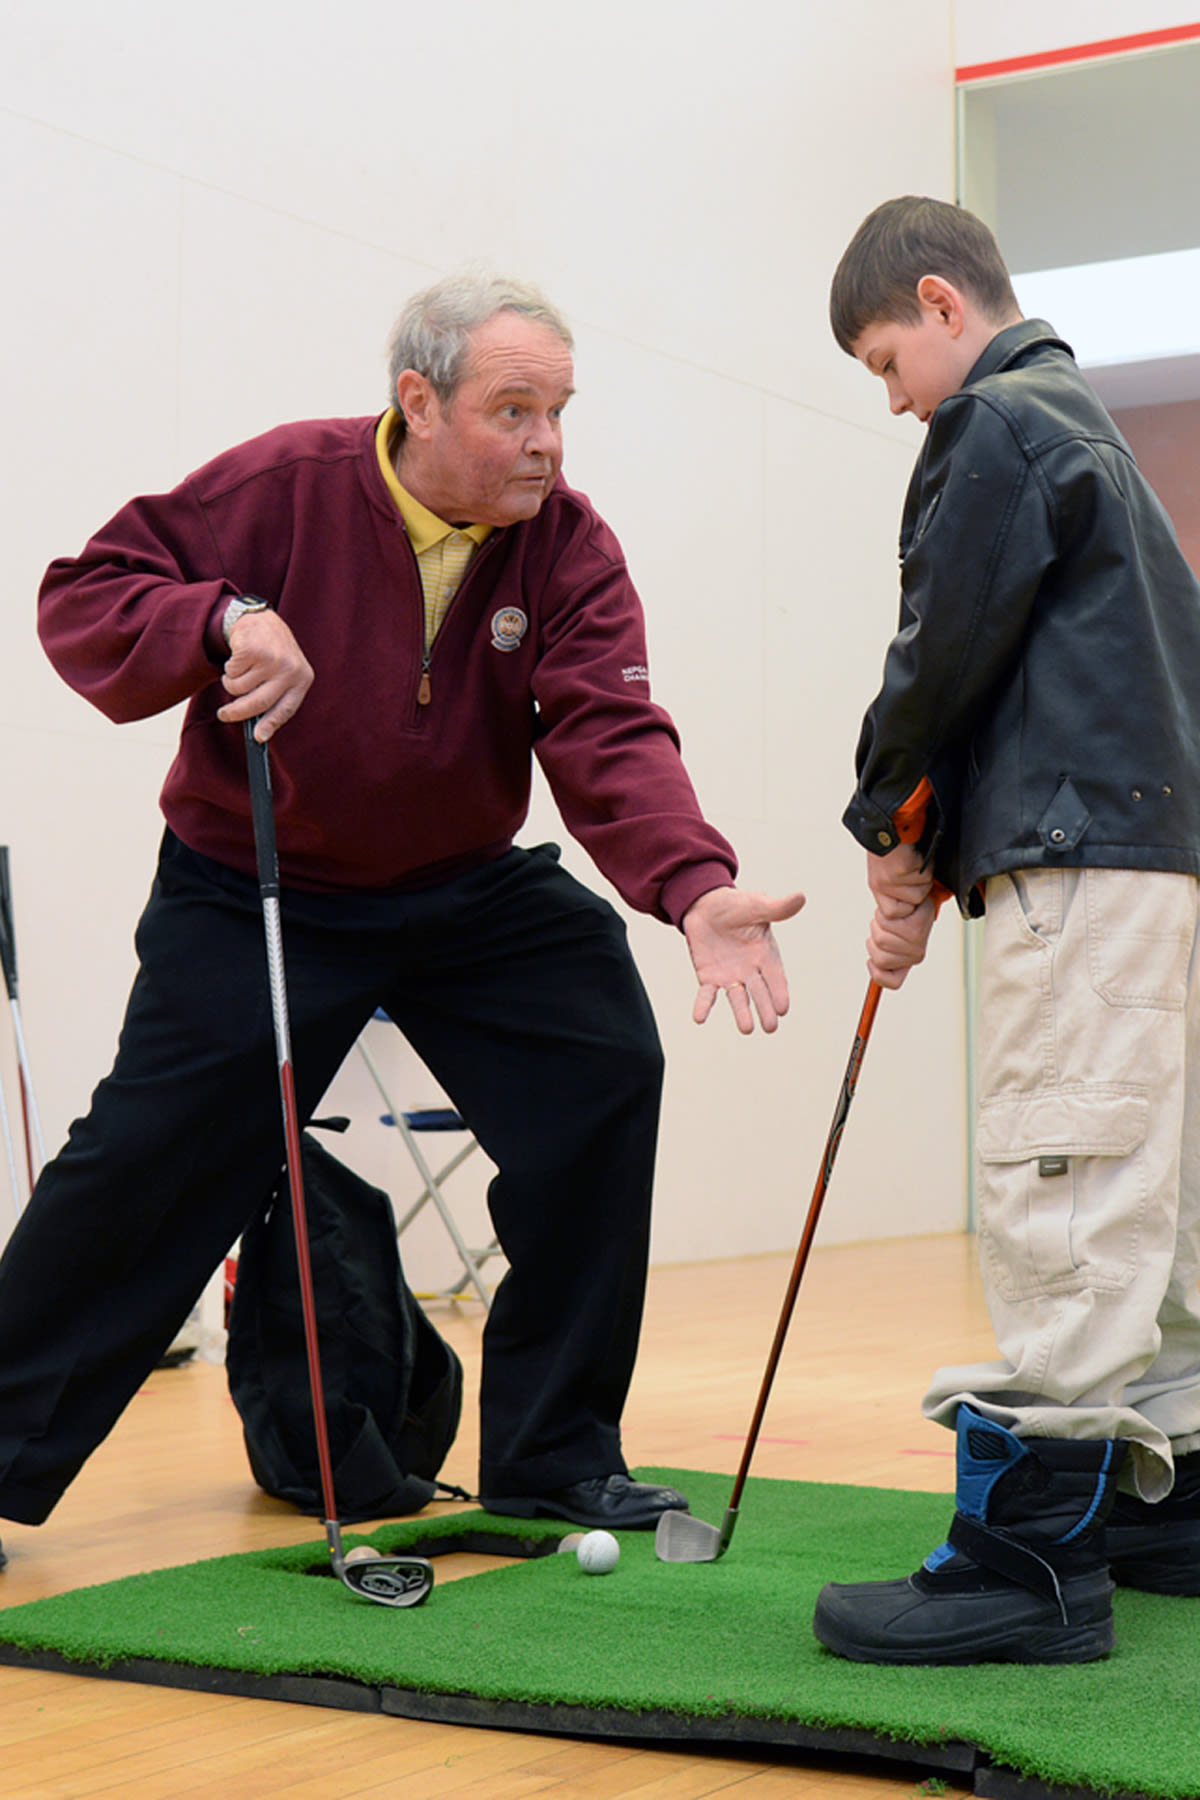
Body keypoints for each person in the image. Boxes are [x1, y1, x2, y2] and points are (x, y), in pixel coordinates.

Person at [0, 273, 804, 1567]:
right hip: (257, 882)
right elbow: (85, 594)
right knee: (148, 1163)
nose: (547, 441)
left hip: (462, 887)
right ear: (416, 402)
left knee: (602, 1061)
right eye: (514, 409)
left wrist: (692, 887)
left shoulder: (567, 543)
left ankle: (553, 1458)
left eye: (560, 411)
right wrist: (217, 617)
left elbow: (609, 728)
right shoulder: (282, 488)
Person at [812, 196, 1200, 1667]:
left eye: (882, 360)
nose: (893, 393)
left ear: (940, 302)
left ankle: (1027, 1568)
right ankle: (1167, 1508)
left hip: (1076, 862)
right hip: (1158, 860)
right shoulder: (1097, 434)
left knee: (1064, 1170)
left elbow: (943, 649)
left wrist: (883, 824)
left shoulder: (996, 428)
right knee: (1155, 1195)